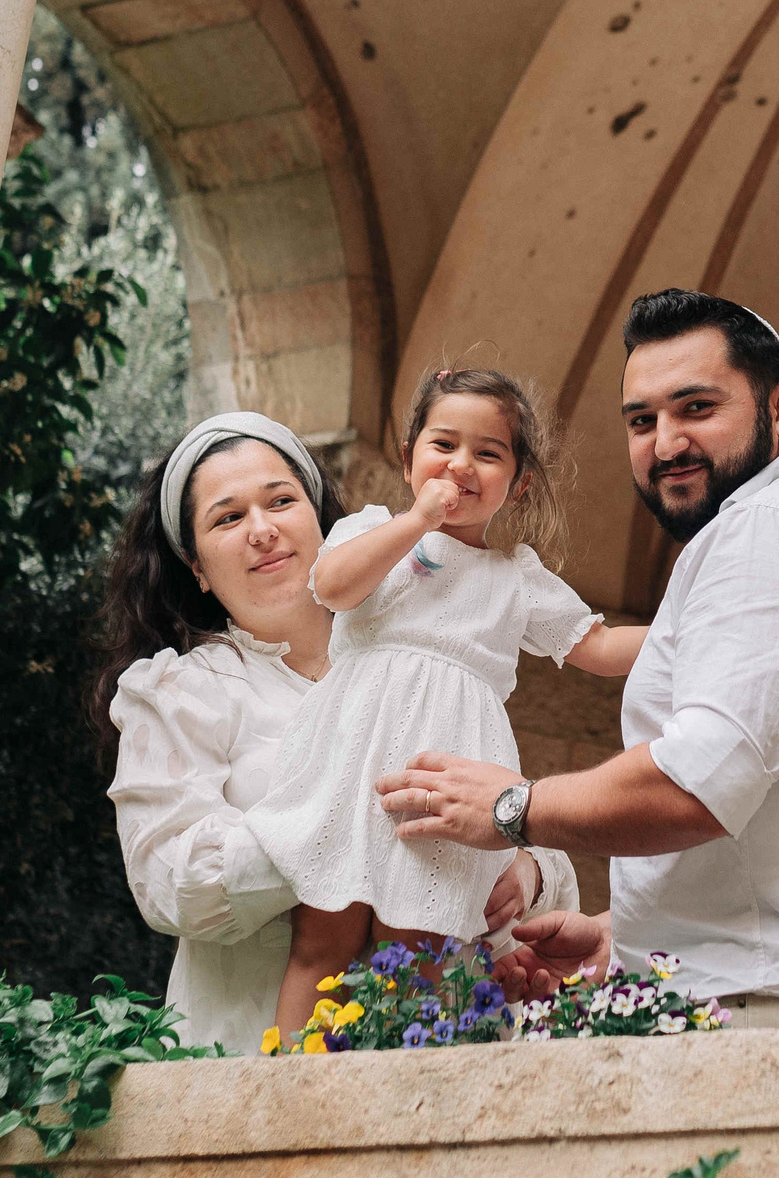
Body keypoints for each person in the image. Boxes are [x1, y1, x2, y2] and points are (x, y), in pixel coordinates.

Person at [374, 290, 779, 1026]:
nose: (666, 442)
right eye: (643, 421)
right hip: (757, 991)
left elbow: (697, 784)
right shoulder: (765, 533)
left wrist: (513, 808)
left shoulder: (775, 528)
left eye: (696, 409)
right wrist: (625, 939)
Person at [94, 411, 579, 1055]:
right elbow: (168, 884)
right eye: (228, 518)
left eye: (281, 501)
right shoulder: (182, 692)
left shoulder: (432, 665)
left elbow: (539, 872)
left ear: (326, 523)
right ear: (198, 567)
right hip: (247, 1077)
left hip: (435, 1073)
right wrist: (332, 831)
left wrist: (523, 862)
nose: (263, 531)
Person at [244, 370, 648, 1045]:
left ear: (517, 482)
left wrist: (700, 625)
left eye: (488, 453)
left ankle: (397, 1092)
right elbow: (333, 586)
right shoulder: (376, 529)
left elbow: (599, 646)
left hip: (444, 781)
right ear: (408, 459)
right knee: (322, 938)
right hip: (358, 763)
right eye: (443, 445)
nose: (461, 465)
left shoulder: (514, 574)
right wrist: (417, 521)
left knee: (418, 946)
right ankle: (283, 1090)